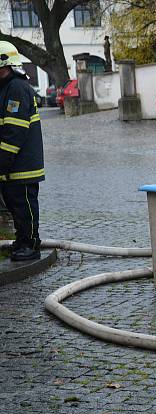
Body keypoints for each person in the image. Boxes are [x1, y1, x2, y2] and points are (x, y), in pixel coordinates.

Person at [0, 41, 45, 261]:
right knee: (16, 206)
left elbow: (13, 132)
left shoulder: (17, 88)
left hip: (22, 166)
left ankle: (31, 245)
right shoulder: (8, 87)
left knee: (24, 206)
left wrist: (2, 163)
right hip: (13, 165)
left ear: (4, 65)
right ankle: (23, 240)